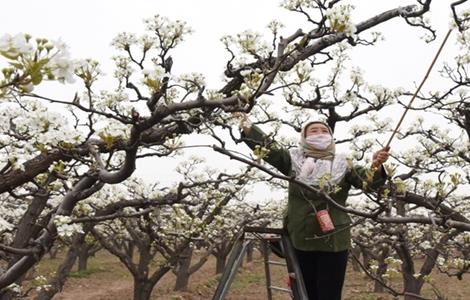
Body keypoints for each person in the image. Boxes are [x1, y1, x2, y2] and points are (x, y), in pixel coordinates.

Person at [240, 119, 389, 300]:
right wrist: (247, 125)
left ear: (331, 137)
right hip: (300, 238)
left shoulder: (344, 164)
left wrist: (376, 166)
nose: (319, 134)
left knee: (329, 294)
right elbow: (270, 149)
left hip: (334, 240)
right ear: (304, 138)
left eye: (323, 131)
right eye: (313, 131)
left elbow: (368, 183)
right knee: (304, 293)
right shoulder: (292, 160)